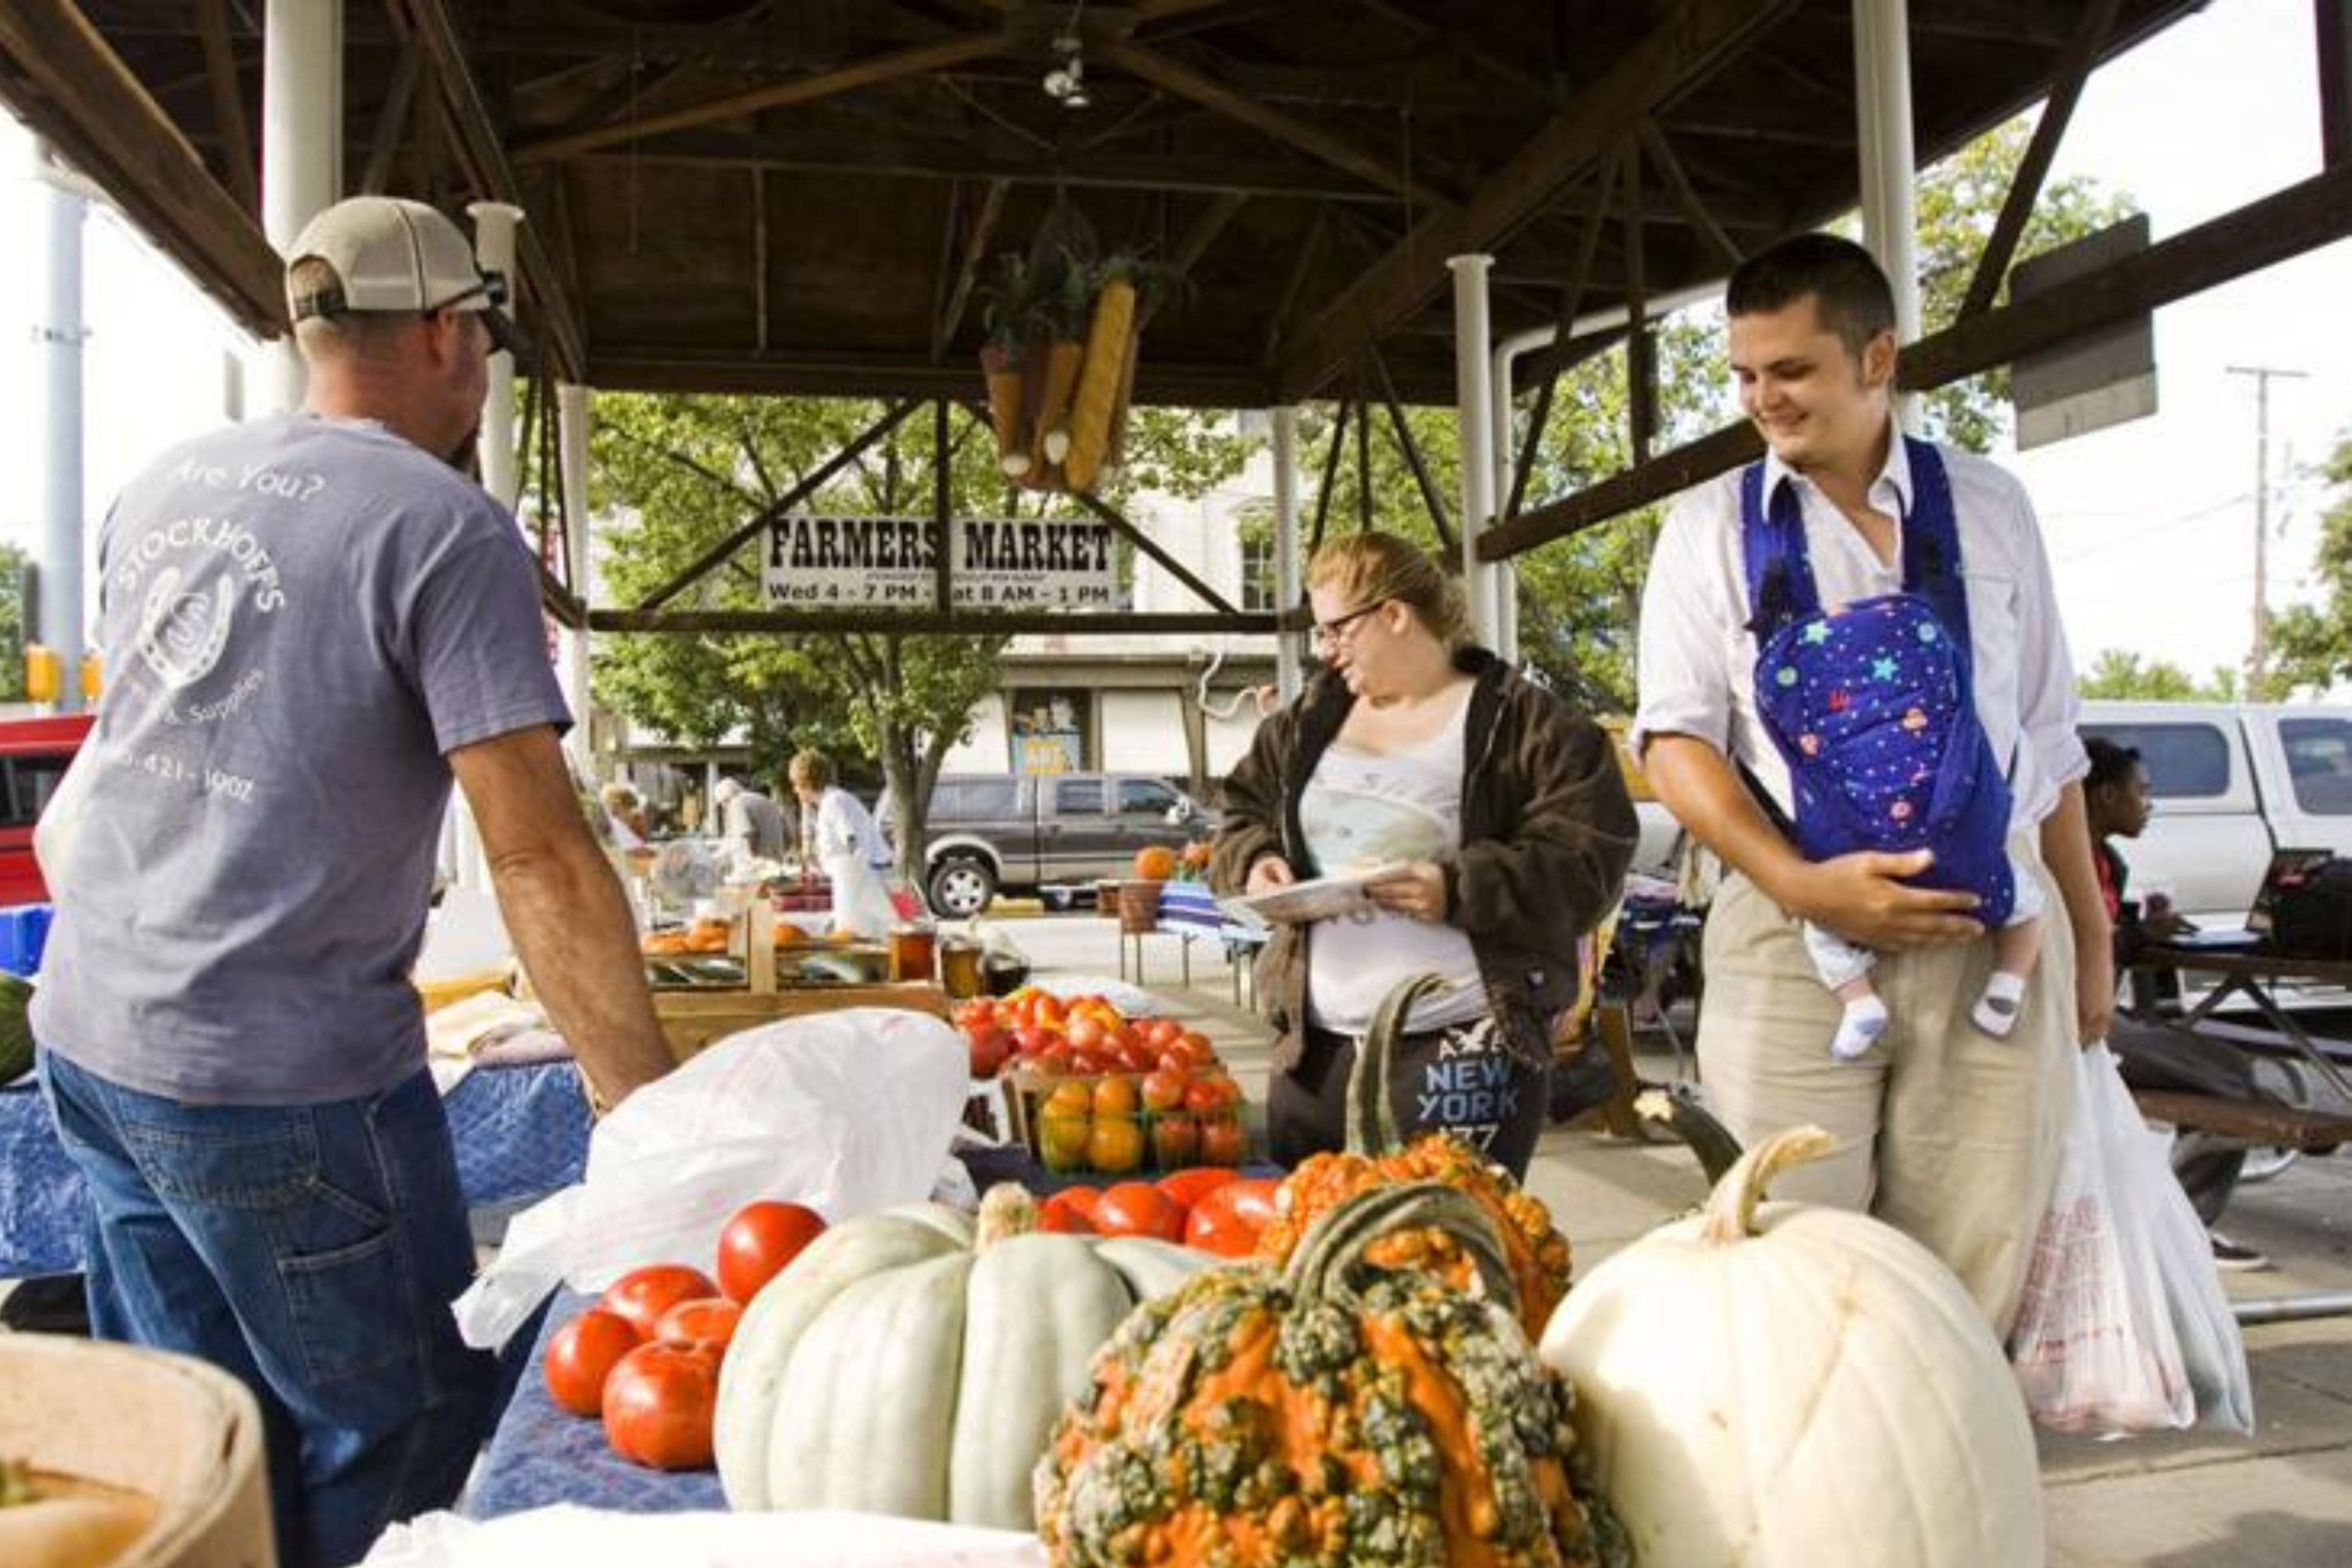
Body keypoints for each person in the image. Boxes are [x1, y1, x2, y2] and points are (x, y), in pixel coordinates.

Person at [31, 195, 677, 1568]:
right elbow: (537, 852)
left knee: (196, 1433)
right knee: (395, 1438)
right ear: (446, 332)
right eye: (487, 342)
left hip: (91, 1034)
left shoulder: (165, 483)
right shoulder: (445, 530)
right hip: (278, 1075)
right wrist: (647, 1107)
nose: (488, 369)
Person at [1633, 232, 2111, 1336]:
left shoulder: (1993, 507)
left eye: (1791, 370)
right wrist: (1805, 889)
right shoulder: (1708, 529)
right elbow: (1676, 741)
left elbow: (2048, 735)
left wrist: (2090, 933)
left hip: (1991, 927)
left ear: (1877, 356)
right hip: (1794, 928)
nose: (1763, 399)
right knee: (1781, 1246)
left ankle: (1942, 1483)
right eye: (1745, 373)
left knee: (1973, 1255)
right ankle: (1796, 1497)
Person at [1210, 531, 1636, 1181]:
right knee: (1311, 1251)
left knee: (1455, 1249)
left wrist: (1457, 887)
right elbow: (1238, 812)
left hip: (1466, 1046)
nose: (1325, 652)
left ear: (1394, 615)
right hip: (1316, 1049)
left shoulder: (1531, 725)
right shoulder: (1303, 724)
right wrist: (1255, 860)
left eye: (1335, 631)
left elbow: (1590, 865)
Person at [2083, 737, 2268, 1271]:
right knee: (2234, 1080)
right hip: (2079, 1021)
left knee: (2234, 1069)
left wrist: (2141, 932)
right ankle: (2183, 1231)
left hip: (2107, 1015)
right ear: (2107, 795)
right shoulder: (2061, 857)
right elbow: (2073, 947)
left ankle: (2183, 1223)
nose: (2148, 805)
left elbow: (2107, 939)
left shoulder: (2108, 863)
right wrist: (2137, 938)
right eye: (2142, 793)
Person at [787, 750, 900, 939]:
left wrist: (856, 878)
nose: (795, 791)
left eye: (795, 785)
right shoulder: (835, 800)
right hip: (868, 876)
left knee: (874, 935)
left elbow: (852, 840)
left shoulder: (833, 803)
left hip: (868, 878)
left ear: (805, 782)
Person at [711, 774, 788, 864]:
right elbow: (787, 834)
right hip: (776, 861)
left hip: (760, 867)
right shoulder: (765, 800)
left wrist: (752, 862)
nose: (724, 809)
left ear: (725, 799)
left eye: (722, 805)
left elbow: (748, 836)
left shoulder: (737, 802)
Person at [600, 780, 651, 851]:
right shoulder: (611, 821)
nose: (611, 813)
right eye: (607, 807)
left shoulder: (637, 818)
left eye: (614, 808)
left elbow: (643, 841)